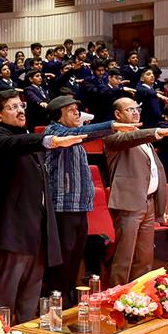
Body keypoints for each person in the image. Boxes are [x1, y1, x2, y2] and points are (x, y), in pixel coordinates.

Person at [0, 90, 85, 322]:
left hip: (38, 228)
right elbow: (16, 143)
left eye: (21, 106)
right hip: (15, 229)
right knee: (6, 294)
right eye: (12, 107)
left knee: (32, 291)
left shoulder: (27, 138)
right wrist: (47, 140)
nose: (20, 110)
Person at [43, 95, 137, 306]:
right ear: (58, 115)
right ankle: (56, 305)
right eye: (71, 110)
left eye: (77, 108)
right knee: (62, 262)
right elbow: (80, 133)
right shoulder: (55, 132)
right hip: (62, 208)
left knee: (75, 261)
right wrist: (112, 125)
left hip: (79, 207)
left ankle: (67, 304)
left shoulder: (74, 136)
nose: (77, 113)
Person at [104, 98, 168, 286]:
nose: (136, 112)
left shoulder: (142, 138)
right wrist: (157, 132)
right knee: (124, 256)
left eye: (137, 109)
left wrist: (160, 203)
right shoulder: (114, 136)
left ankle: (139, 296)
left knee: (145, 256)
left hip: (148, 202)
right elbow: (131, 138)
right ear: (118, 115)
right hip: (129, 203)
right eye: (130, 109)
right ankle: (116, 298)